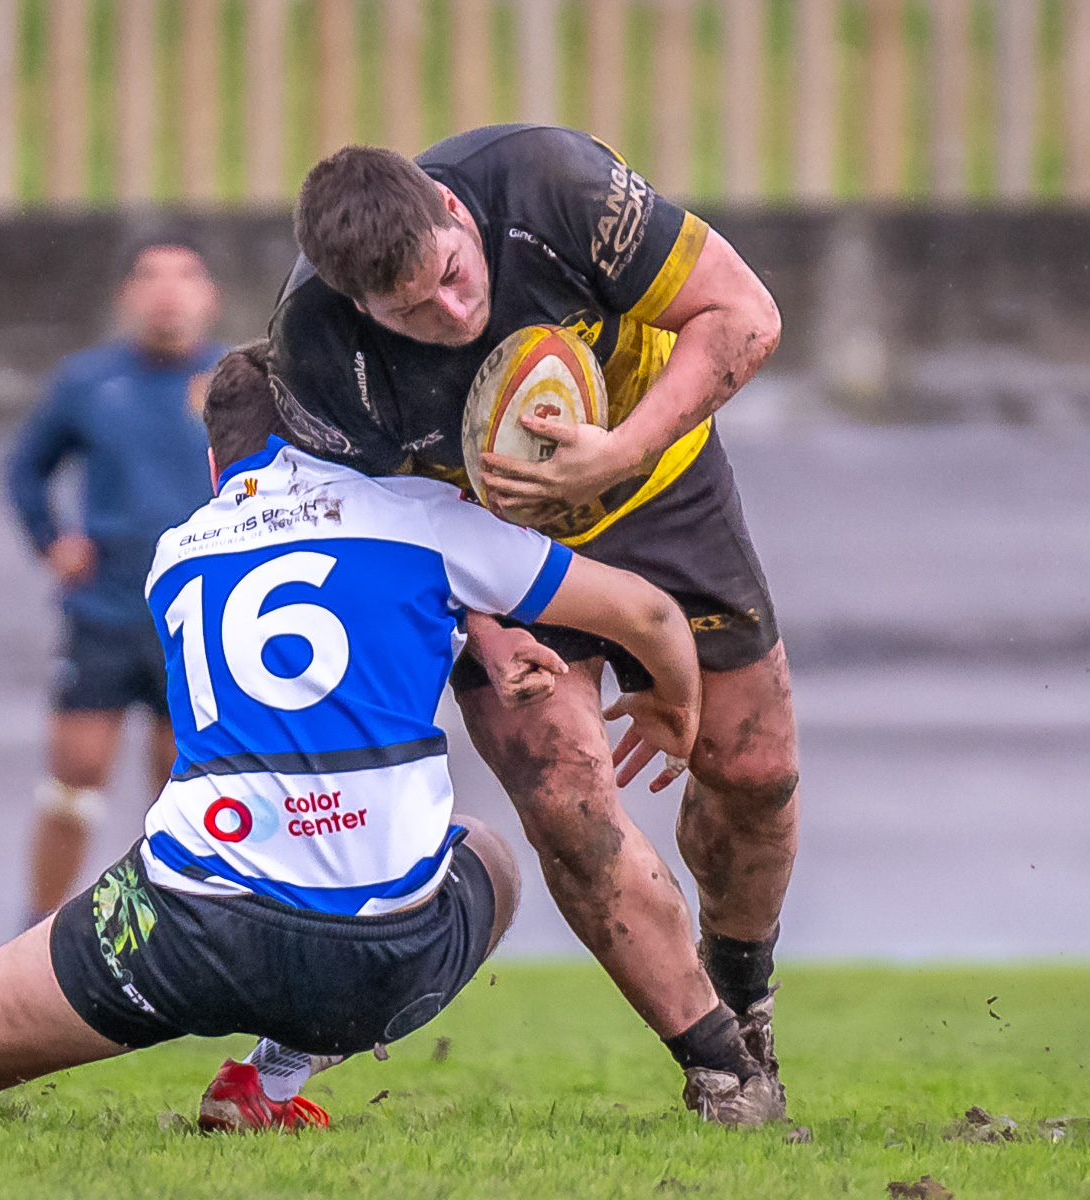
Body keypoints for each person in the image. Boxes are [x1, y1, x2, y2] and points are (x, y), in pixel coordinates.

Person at [0, 341, 734, 1138]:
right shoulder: (413, 516)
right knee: (491, 854)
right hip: (385, 953)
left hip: (191, 923)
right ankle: (273, 1082)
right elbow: (636, 611)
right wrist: (668, 698)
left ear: (216, 461)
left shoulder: (178, 552)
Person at [264, 127, 794, 1122]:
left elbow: (746, 315)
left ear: (454, 213)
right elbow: (372, 523)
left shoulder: (554, 187)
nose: (453, 314)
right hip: (490, 549)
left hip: (659, 491)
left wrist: (621, 450)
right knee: (566, 803)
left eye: (455, 277)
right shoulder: (318, 348)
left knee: (756, 775)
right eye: (411, 311)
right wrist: (485, 628)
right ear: (357, 305)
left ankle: (746, 990)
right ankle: (725, 1073)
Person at [5, 233, 225, 929]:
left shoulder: (235, 381)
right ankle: (36, 930)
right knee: (73, 781)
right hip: (103, 612)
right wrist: (52, 541)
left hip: (195, 617)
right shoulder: (88, 382)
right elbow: (25, 469)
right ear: (128, 296)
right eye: (150, 277)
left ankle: (177, 933)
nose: (167, 291)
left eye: (184, 276)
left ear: (208, 296)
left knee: (184, 787)